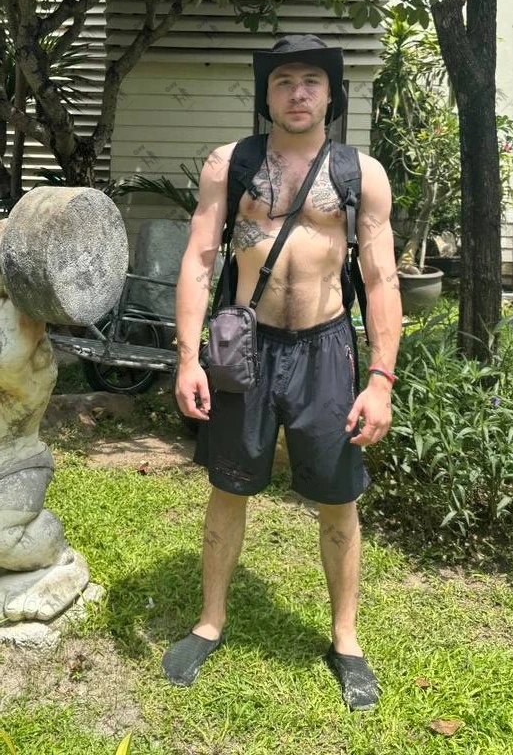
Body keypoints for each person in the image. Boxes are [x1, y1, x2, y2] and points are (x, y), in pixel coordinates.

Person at [163, 35, 402, 711]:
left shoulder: (361, 173)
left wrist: (380, 379)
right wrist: (188, 357)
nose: (298, 93)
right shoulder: (230, 164)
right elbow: (198, 259)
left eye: (311, 82)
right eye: (284, 81)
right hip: (246, 346)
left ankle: (346, 640)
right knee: (228, 486)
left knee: (338, 496)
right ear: (267, 96)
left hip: (326, 350)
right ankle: (209, 623)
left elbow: (381, 279)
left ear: (331, 95)